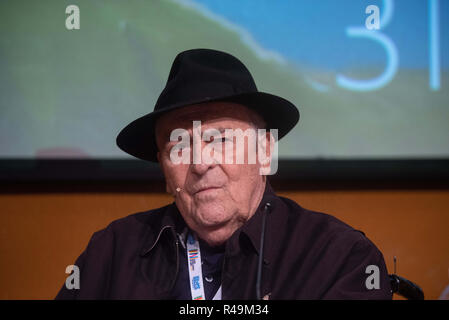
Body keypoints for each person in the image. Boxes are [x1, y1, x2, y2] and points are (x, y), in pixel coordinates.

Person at [56, 48, 392, 300]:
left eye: (220, 139)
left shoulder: (338, 257)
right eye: (179, 146)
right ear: (163, 167)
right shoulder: (113, 252)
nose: (201, 163)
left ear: (264, 151)